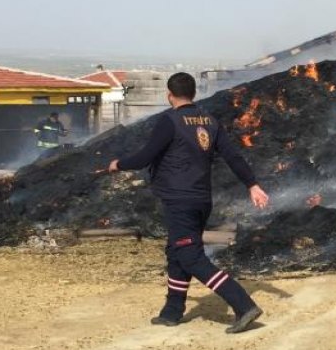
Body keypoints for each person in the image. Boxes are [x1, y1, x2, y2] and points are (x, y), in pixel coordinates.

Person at [107, 73, 271, 334]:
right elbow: (233, 156)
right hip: (200, 199)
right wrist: (252, 184)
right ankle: (172, 312)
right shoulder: (210, 121)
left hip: (179, 199)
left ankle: (243, 305)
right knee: (176, 252)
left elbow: (145, 156)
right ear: (193, 93)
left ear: (169, 95)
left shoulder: (170, 121)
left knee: (189, 255)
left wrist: (119, 164)